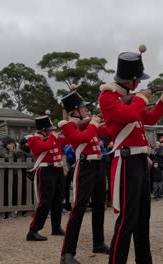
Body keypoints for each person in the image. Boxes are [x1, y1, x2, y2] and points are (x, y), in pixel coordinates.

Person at [98, 48, 163, 264]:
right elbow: (130, 114)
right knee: (127, 219)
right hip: (126, 162)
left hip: (140, 162)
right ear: (133, 80)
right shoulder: (108, 97)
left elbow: (149, 118)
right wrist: (142, 98)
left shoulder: (131, 99)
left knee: (143, 219)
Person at [58, 91, 110, 264]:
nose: (86, 109)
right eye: (83, 107)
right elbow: (83, 137)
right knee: (79, 209)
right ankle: (67, 254)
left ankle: (99, 242)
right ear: (75, 111)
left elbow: (108, 129)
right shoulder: (68, 125)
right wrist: (94, 123)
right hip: (85, 166)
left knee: (99, 206)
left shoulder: (88, 123)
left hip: (98, 165)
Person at [26, 116, 65, 242]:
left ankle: (56, 226)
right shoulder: (33, 139)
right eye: (49, 129)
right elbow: (44, 147)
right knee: (45, 201)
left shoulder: (52, 137)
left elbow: (66, 140)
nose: (52, 131)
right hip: (46, 171)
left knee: (58, 200)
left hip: (58, 170)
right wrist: (53, 136)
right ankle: (33, 230)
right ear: (43, 130)